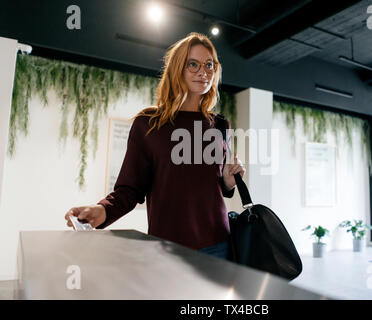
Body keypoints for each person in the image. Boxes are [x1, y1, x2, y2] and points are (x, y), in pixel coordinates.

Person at [64, 32, 245, 261]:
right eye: (193, 64)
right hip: (168, 246)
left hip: (219, 244)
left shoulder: (220, 124)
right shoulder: (148, 124)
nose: (204, 71)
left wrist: (229, 181)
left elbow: (216, 186)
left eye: (209, 64)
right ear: (177, 69)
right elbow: (130, 189)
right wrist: (103, 210)